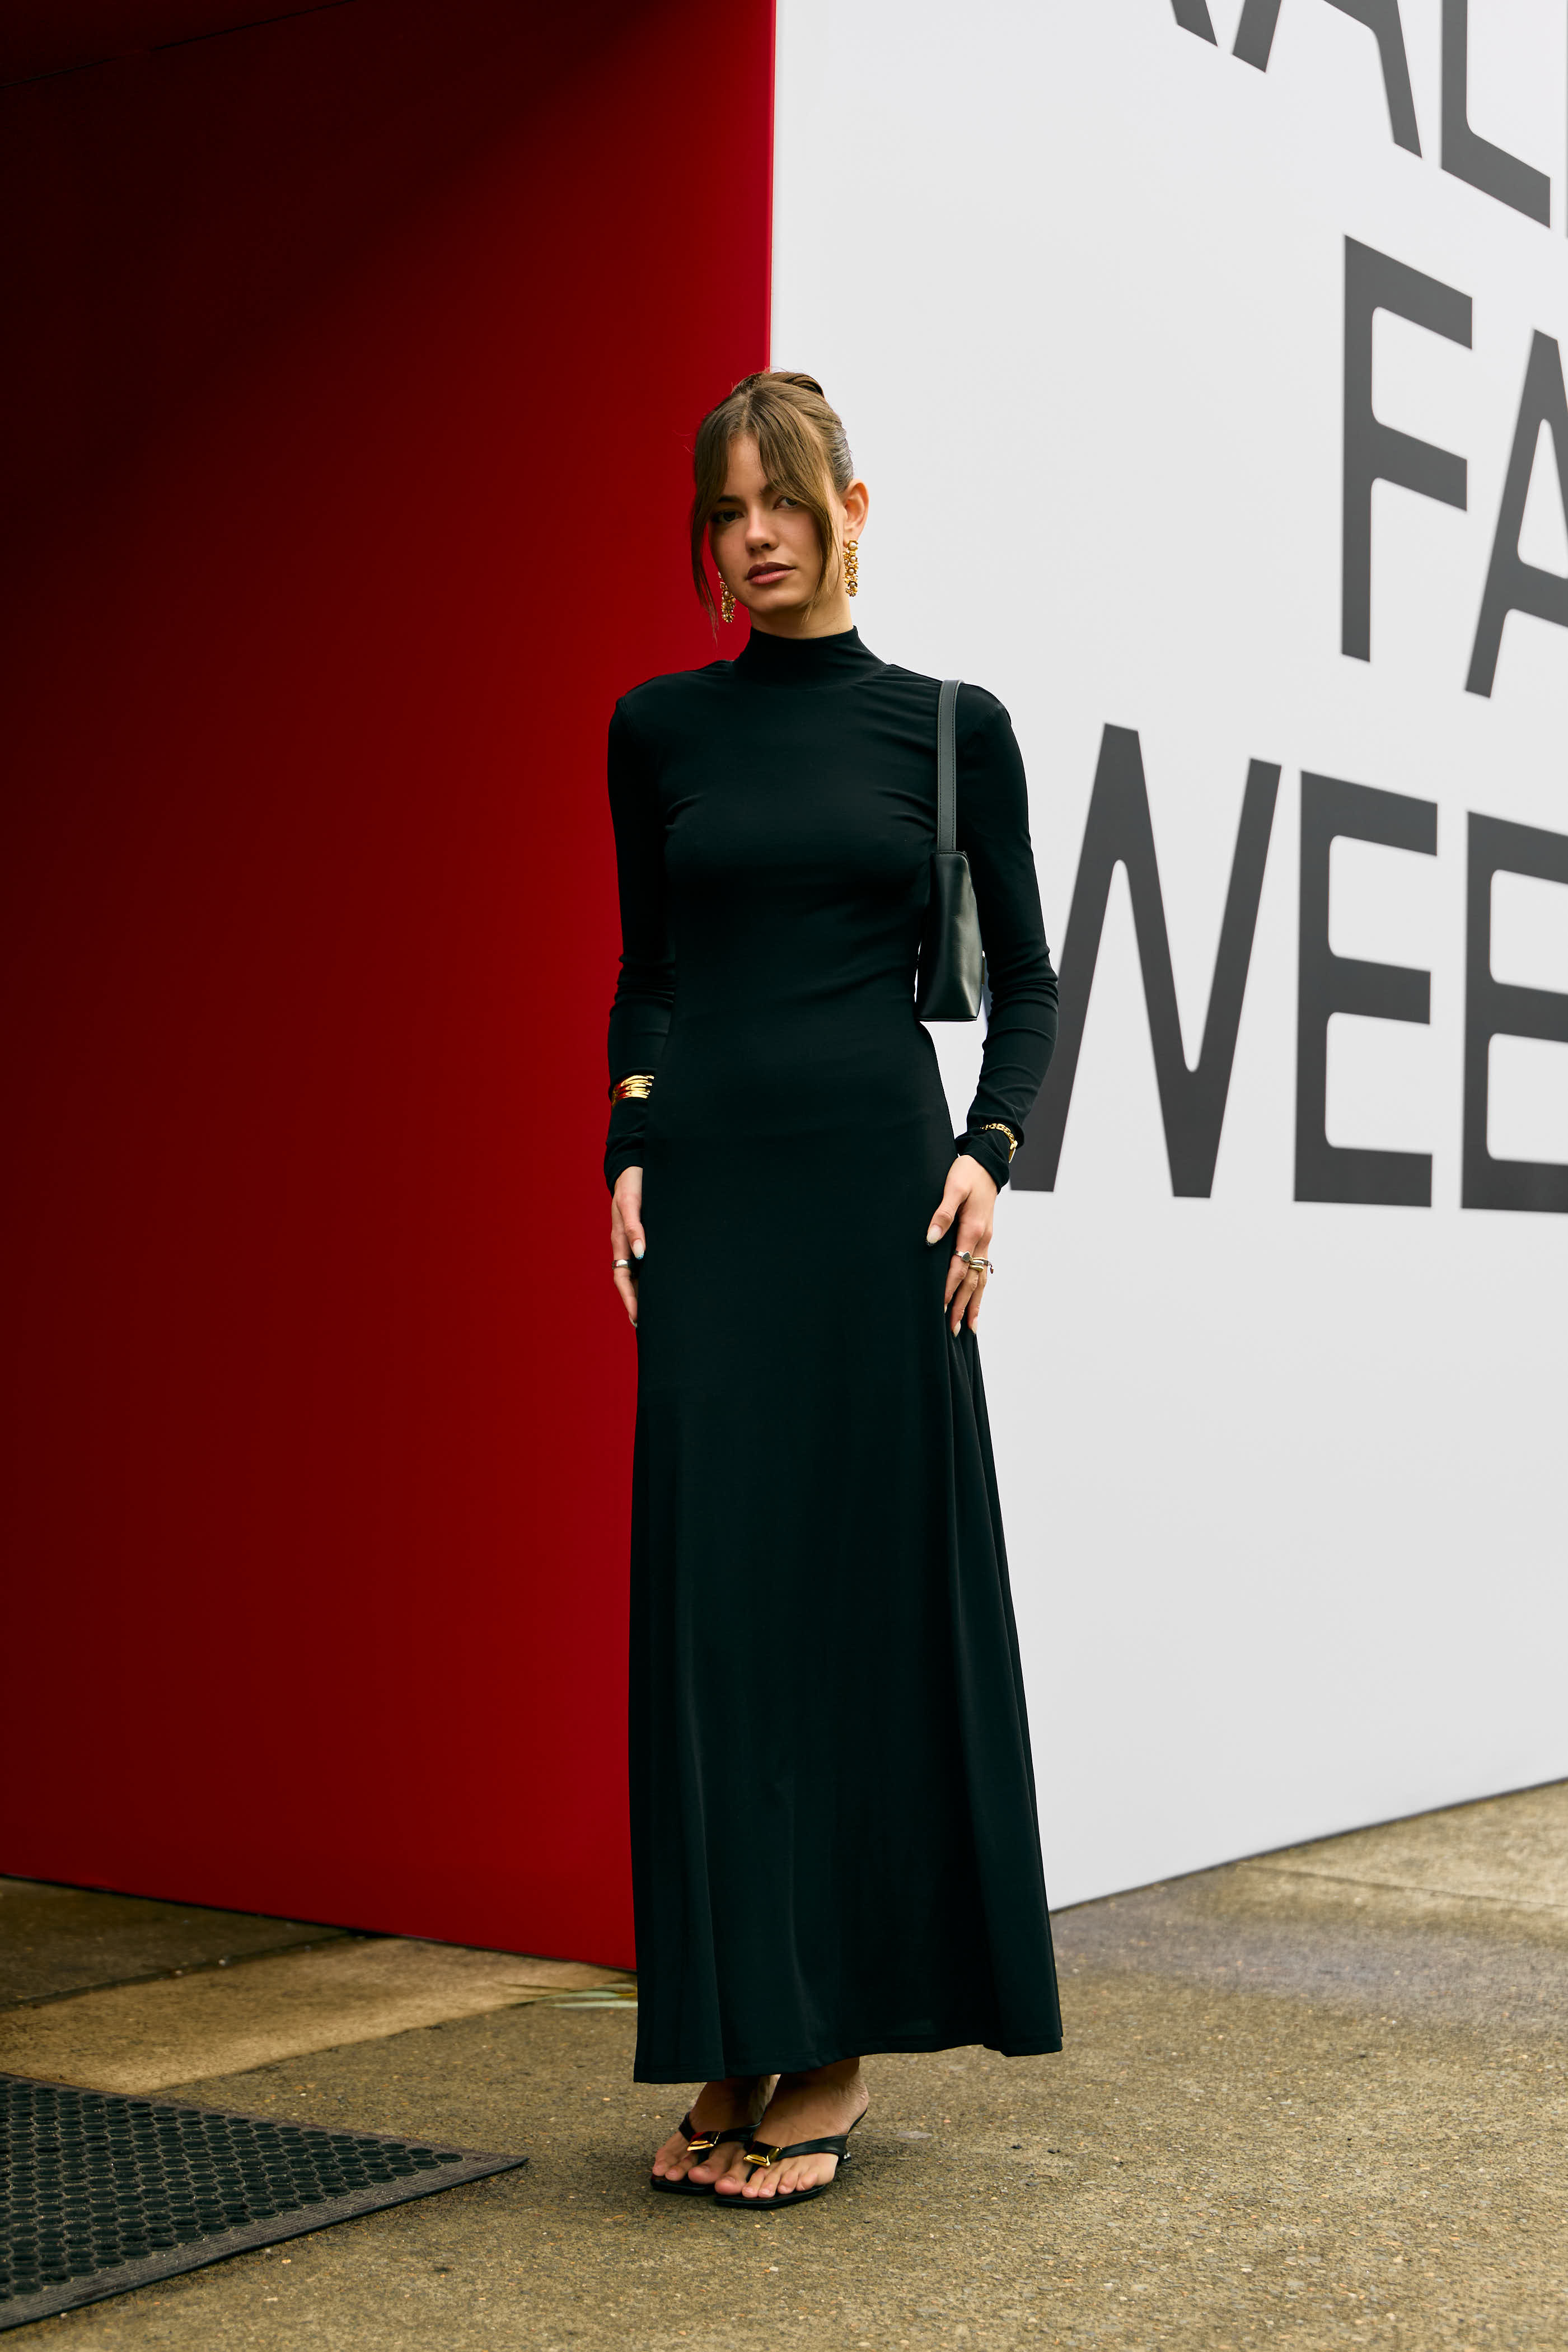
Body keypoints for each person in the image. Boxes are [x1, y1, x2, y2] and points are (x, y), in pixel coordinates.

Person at [604, 372, 1062, 2210]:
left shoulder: (951, 727)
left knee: (864, 1605)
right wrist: (625, 1140)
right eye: (725, 512)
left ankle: (842, 2041)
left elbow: (1027, 978)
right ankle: (738, 2026)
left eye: (782, 500)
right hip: (713, 1204)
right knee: (721, 1615)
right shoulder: (655, 727)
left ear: (852, 509)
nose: (755, 536)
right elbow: (647, 968)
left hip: (882, 1201)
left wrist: (990, 1149)